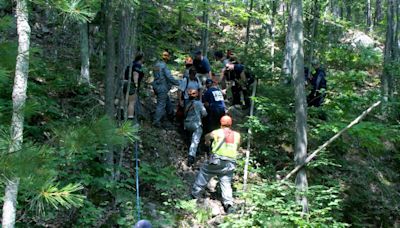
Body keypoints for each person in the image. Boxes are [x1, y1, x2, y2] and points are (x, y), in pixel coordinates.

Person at [192, 115, 241, 214]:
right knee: (226, 182)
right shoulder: (237, 135)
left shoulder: (218, 132)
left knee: (205, 172)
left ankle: (195, 195)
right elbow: (238, 146)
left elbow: (207, 136)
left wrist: (207, 142)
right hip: (230, 162)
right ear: (231, 124)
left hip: (217, 160)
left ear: (221, 123)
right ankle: (228, 204)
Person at [152, 50, 180, 128]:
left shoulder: (156, 65)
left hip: (156, 86)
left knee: (166, 101)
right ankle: (156, 121)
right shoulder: (163, 66)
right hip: (162, 87)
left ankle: (171, 115)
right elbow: (169, 77)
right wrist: (179, 83)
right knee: (161, 104)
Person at [184, 88, 207, 166]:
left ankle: (195, 150)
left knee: (191, 138)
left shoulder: (187, 104)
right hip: (196, 124)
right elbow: (204, 114)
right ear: (197, 95)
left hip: (187, 124)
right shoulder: (199, 103)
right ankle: (191, 157)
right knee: (195, 141)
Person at [125, 54, 144, 120]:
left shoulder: (131, 64)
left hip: (124, 82)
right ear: (141, 59)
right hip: (131, 83)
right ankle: (130, 117)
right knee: (131, 102)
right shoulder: (137, 65)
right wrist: (136, 84)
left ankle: (121, 112)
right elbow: (135, 74)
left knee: (124, 99)